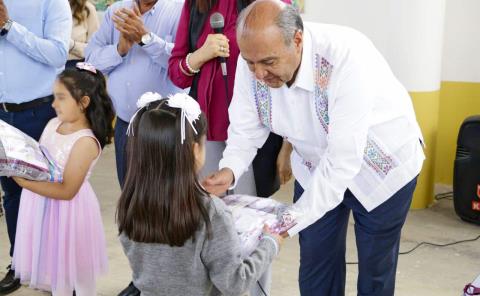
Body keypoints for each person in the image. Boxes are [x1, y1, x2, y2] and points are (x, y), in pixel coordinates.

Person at [203, 1, 426, 295]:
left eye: (268, 63)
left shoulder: (346, 57)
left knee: (375, 270)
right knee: (315, 265)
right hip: (316, 166)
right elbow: (246, 126)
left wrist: (288, 222)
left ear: (297, 40)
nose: (258, 74)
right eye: (249, 63)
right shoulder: (255, 59)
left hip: (379, 167)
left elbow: (342, 161)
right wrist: (230, 169)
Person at [116, 92, 283, 296]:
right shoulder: (210, 212)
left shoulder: (130, 204)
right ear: (195, 150)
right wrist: (270, 242)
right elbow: (234, 283)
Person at [168, 0, 293, 200]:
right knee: (211, 206)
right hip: (207, 130)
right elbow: (177, 74)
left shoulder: (268, 5)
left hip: (257, 129)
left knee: (249, 208)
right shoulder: (194, 4)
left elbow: (289, 70)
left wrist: (288, 144)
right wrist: (200, 55)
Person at [11, 63, 114, 296]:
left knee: (71, 267)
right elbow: (40, 158)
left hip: (69, 211)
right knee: (50, 260)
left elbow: (67, 190)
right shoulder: (53, 124)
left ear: (83, 102)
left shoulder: (85, 142)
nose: (54, 104)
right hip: (42, 205)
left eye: (60, 98)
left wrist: (25, 183)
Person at [0, 0, 71, 293]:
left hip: (40, 113)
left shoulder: (52, 2)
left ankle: (54, 269)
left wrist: (8, 27)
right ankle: (20, 264)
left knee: (48, 192)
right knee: (12, 194)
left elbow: (57, 55)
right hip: (2, 114)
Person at [85, 0, 185, 188]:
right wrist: (119, 49)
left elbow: (185, 65)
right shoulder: (116, 11)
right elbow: (91, 61)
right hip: (126, 124)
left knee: (166, 200)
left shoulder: (181, 9)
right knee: (130, 196)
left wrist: (146, 39)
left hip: (165, 128)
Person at [67, 0, 100, 68]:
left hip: (76, 68)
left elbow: (96, 48)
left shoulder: (88, 8)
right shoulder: (48, 6)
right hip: (48, 66)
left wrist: (72, 45)